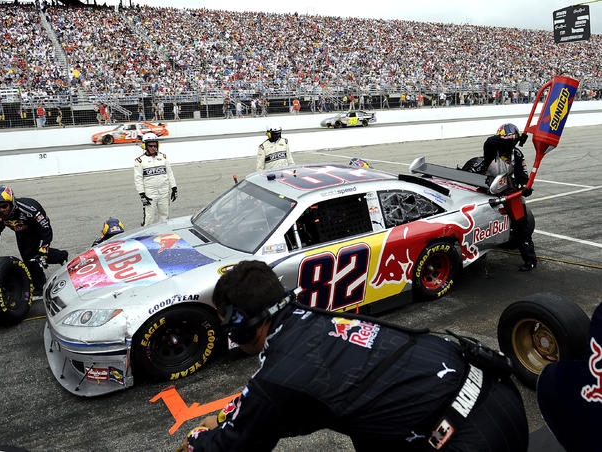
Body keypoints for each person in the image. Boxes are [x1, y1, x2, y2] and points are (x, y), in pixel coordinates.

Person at [183, 261, 529, 452]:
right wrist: (234, 415)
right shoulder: (319, 319)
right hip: (500, 397)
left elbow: (231, 450)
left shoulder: (276, 378)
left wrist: (197, 439)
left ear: (242, 325)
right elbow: (295, 406)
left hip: (465, 439)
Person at [0, 185, 68, 296]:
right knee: (28, 257)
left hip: (38, 228)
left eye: (4, 206)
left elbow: (45, 229)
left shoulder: (29, 210)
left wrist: (43, 250)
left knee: (36, 255)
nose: (1, 210)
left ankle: (43, 282)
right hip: (21, 231)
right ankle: (59, 259)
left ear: (11, 202)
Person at [474, 123, 537, 271]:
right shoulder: (491, 148)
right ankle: (477, 254)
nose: (511, 142)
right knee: (480, 223)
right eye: (508, 139)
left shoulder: (517, 154)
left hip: (508, 190)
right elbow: (490, 141)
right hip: (486, 190)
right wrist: (513, 138)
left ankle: (530, 260)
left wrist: (524, 187)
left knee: (522, 227)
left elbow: (522, 176)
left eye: (513, 139)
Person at [134, 132, 177, 226]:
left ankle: (164, 235)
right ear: (145, 146)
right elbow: (138, 179)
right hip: (150, 192)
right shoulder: (139, 160)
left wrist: (174, 188)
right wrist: (142, 195)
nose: (154, 148)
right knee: (149, 218)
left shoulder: (163, 157)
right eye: (151, 146)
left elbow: (170, 173)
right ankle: (146, 236)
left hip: (164, 191)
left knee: (164, 216)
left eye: (155, 145)